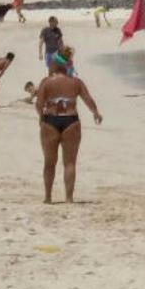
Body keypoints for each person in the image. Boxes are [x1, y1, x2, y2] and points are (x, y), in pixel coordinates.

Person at [35, 46, 102, 204]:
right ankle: (69, 198)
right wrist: (96, 113)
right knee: (70, 162)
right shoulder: (76, 82)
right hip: (71, 121)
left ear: (55, 64)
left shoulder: (46, 82)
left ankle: (48, 197)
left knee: (49, 162)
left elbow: (38, 104)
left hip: (50, 121)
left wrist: (41, 117)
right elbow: (88, 100)